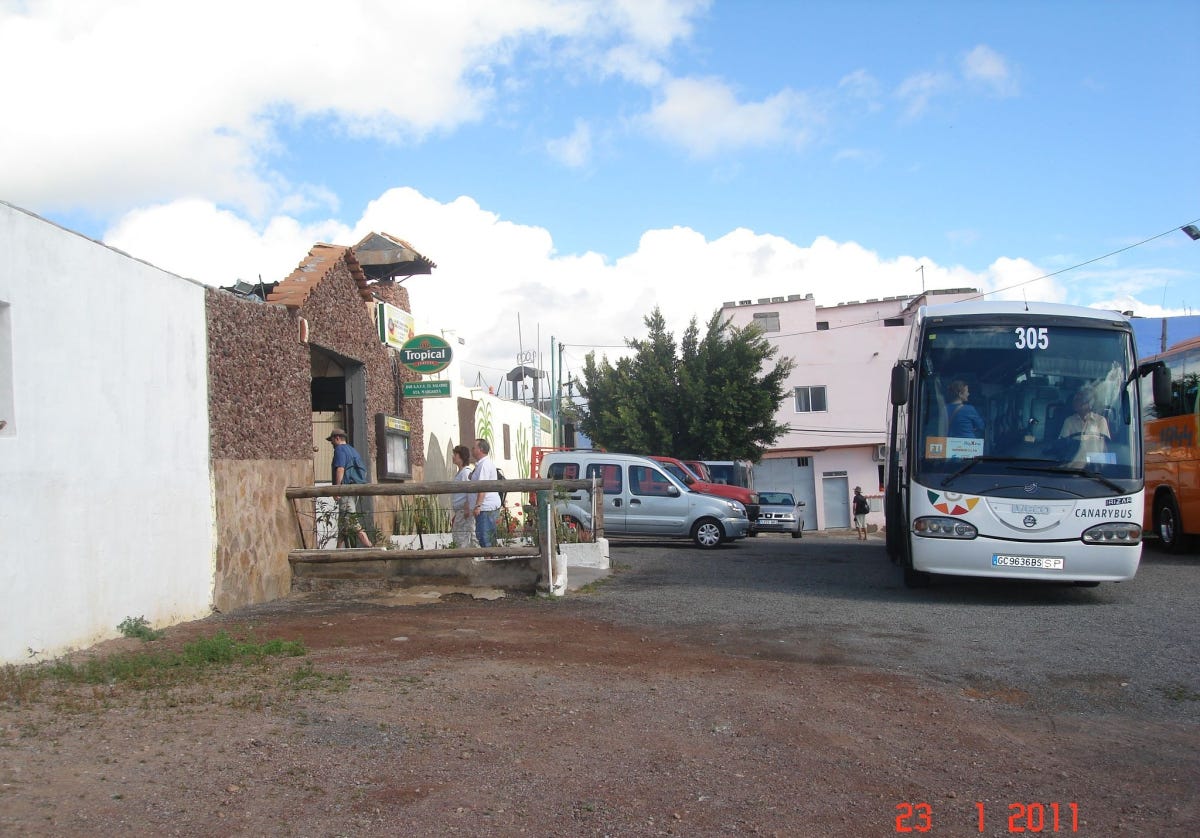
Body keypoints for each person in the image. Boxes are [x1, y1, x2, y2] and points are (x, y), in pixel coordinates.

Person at [329, 428, 373, 548]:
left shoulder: (339, 450)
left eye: (332, 440)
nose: (331, 443)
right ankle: (338, 549)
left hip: (346, 489)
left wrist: (337, 489)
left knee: (350, 519)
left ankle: (369, 545)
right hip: (354, 489)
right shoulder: (353, 450)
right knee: (344, 520)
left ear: (337, 438)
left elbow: (340, 469)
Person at [1058, 388, 1111, 465]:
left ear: (1090, 404)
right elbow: (1063, 445)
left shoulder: (1101, 421)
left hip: (1095, 464)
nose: (1076, 403)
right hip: (1073, 462)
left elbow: (1104, 450)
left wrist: (1087, 458)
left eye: (1080, 400)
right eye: (1075, 400)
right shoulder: (1069, 421)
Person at [469, 438, 502, 547]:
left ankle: (491, 560)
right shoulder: (482, 464)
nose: (472, 450)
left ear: (481, 449)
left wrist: (478, 505)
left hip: (486, 507)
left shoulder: (484, 465)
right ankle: (492, 558)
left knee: (485, 537)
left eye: (474, 447)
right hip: (486, 507)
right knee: (486, 536)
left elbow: (483, 486)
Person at [450, 444, 476, 548]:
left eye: (455, 455)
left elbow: (469, 490)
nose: (453, 457)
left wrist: (467, 506)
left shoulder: (465, 473)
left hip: (464, 510)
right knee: (462, 535)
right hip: (460, 510)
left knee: (462, 537)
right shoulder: (460, 472)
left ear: (461, 457)